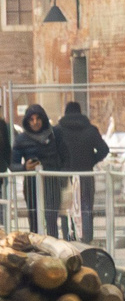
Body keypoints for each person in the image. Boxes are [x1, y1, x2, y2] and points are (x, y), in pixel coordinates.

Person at [54, 102, 108, 241]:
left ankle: (68, 239)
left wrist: (60, 165)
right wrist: (91, 161)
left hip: (65, 175)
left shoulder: (58, 131)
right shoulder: (91, 130)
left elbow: (53, 152)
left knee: (66, 208)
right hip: (86, 174)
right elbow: (104, 149)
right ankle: (86, 240)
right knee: (86, 207)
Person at [16, 104, 61, 237]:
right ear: (27, 121)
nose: (35, 122)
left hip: (51, 182)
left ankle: (53, 245)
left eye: (38, 118)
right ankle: (35, 245)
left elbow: (64, 157)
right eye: (31, 119)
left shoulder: (54, 135)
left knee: (51, 219)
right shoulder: (21, 139)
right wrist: (24, 167)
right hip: (31, 184)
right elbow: (13, 165)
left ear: (43, 119)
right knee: (34, 219)